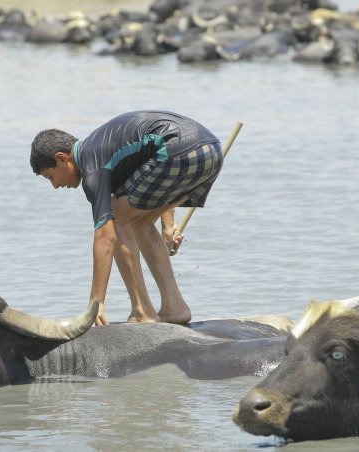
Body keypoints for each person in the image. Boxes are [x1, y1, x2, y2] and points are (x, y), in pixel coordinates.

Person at [30, 110, 223, 326]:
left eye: (50, 177)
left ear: (62, 158)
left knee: (118, 218)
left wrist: (97, 303)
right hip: (211, 150)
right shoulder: (102, 149)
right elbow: (152, 156)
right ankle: (175, 307)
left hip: (179, 152)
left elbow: (106, 237)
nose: (55, 185)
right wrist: (167, 226)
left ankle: (142, 312)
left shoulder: (93, 166)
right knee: (139, 221)